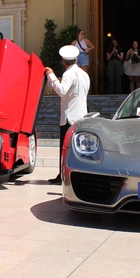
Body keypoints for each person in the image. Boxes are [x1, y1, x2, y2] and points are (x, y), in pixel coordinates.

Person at [45, 45, 90, 185]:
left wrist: (51, 75)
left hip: (69, 118)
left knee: (65, 149)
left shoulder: (68, 74)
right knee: (79, 149)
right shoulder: (84, 74)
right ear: (76, 59)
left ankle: (63, 176)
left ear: (63, 62)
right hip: (81, 116)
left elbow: (62, 90)